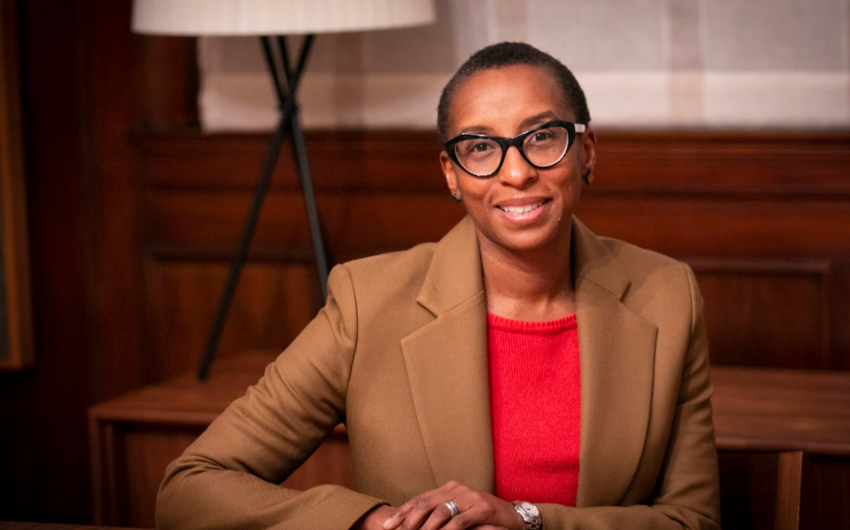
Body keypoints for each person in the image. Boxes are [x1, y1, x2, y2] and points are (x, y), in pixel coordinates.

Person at [156, 42, 720, 530]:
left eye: (542, 137)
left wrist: (529, 519)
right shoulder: (367, 300)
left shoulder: (666, 295)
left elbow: (692, 521)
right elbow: (192, 486)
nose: (516, 171)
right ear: (451, 174)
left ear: (586, 153)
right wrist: (371, 522)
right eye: (480, 147)